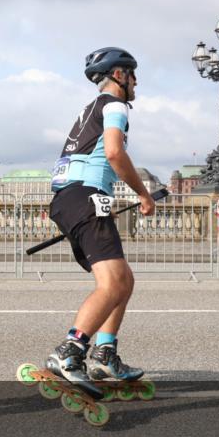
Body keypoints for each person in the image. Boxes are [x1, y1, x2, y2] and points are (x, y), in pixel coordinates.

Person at [45, 48, 155, 398]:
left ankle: (105, 354)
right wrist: (143, 193)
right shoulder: (115, 106)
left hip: (71, 197)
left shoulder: (88, 108)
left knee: (123, 279)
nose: (136, 81)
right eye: (132, 74)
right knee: (111, 283)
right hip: (86, 196)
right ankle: (69, 352)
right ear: (119, 75)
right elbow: (113, 152)